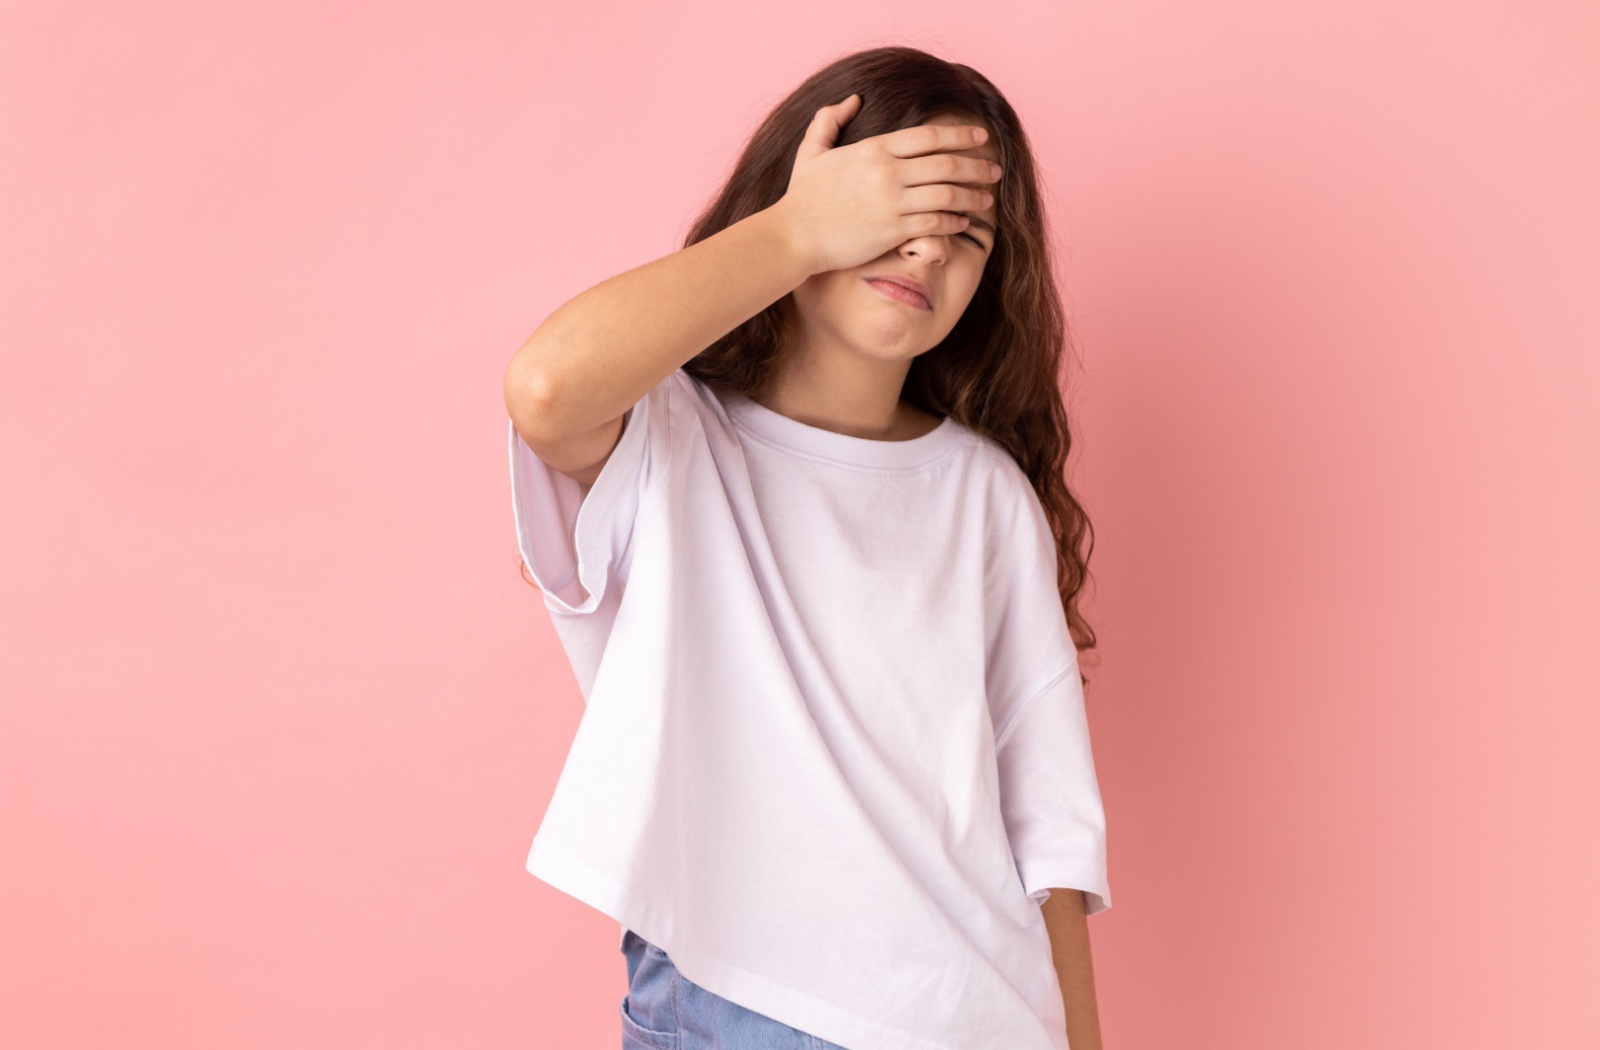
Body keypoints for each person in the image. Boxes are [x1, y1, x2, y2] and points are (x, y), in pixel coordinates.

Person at [503, 46, 1111, 1050]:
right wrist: (797, 231)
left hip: (988, 1019)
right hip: (735, 1002)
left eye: (964, 233)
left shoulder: (983, 493)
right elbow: (545, 389)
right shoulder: (670, 442)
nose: (923, 251)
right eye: (889, 207)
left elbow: (1046, 820)